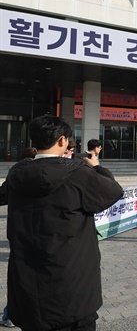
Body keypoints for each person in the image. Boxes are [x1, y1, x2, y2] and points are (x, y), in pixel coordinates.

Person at [2, 115, 122, 330]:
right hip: (71, 290)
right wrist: (96, 167)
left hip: (27, 290)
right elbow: (113, 192)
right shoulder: (78, 174)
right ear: (62, 141)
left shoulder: (17, 173)